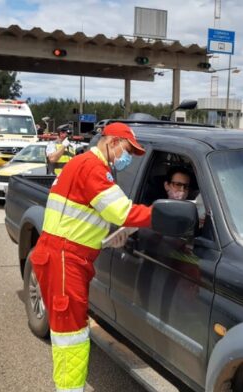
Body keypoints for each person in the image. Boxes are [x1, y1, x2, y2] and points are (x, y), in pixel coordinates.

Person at [29, 122, 152, 391]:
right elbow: (123, 213)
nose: (127, 157)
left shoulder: (84, 163)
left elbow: (85, 216)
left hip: (67, 256)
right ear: (111, 142)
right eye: (127, 150)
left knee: (70, 330)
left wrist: (109, 237)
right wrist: (157, 214)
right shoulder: (94, 168)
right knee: (70, 334)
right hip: (65, 259)